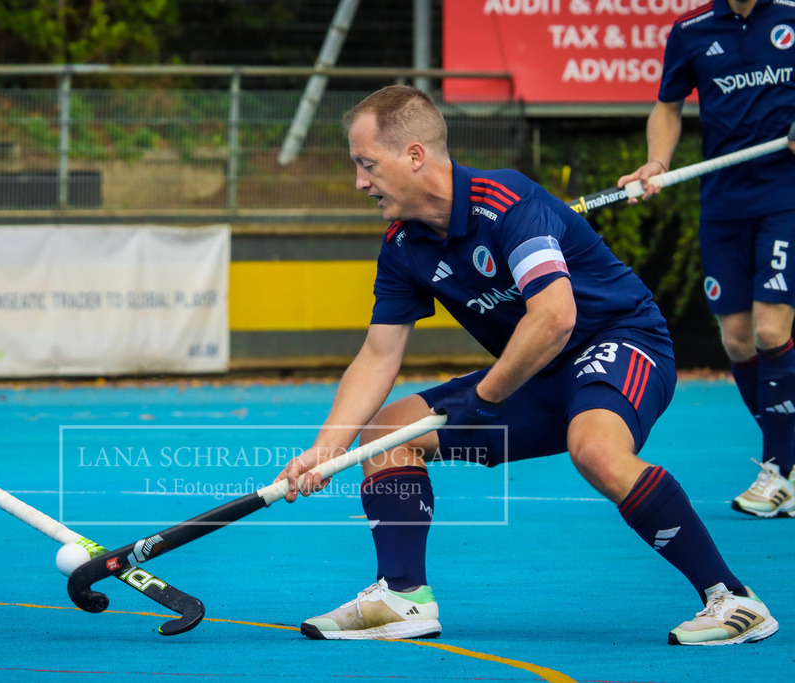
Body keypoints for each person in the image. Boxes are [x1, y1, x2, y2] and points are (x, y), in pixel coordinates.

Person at [276, 85, 776, 646]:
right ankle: (402, 597)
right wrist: (326, 448)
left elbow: (556, 317)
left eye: (366, 164)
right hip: (534, 371)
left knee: (595, 449)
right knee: (387, 433)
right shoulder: (403, 245)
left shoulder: (507, 200)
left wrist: (486, 398)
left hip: (621, 342)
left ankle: (733, 599)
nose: (360, 181)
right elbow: (378, 354)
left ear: (414, 155)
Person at [618, 0, 795, 519]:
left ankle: (779, 470)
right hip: (722, 203)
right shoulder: (691, 29)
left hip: (785, 197)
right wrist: (656, 162)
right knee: (738, 340)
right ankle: (787, 454)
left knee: (770, 330)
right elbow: (668, 106)